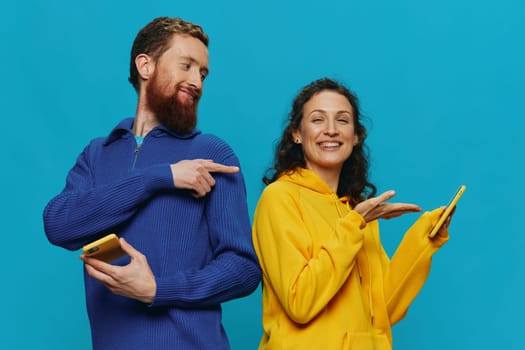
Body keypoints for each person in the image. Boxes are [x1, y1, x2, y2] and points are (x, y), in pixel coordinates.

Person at [43, 17, 261, 350]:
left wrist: (158, 290)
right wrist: (160, 176)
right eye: (186, 66)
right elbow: (59, 225)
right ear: (145, 65)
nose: (197, 82)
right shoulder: (97, 154)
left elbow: (244, 269)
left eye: (202, 73)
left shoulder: (211, 153)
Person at [252, 78, 453, 349]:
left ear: (356, 136)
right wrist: (354, 224)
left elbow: (385, 311)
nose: (331, 130)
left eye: (343, 120)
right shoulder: (280, 198)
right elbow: (300, 301)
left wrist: (424, 239)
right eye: (318, 120)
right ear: (297, 133)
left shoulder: (356, 211)